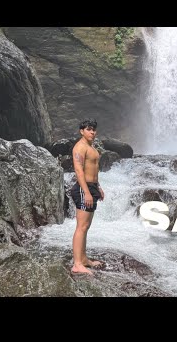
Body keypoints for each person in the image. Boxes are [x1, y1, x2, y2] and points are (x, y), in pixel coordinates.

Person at [70, 118, 105, 275]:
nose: (92, 132)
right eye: (89, 129)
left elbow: (93, 169)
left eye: (94, 129)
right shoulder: (80, 147)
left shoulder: (91, 147)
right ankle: (77, 264)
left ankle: (83, 259)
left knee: (86, 226)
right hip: (84, 189)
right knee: (81, 226)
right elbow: (79, 171)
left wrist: (98, 188)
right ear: (81, 131)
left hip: (91, 187)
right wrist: (87, 192)